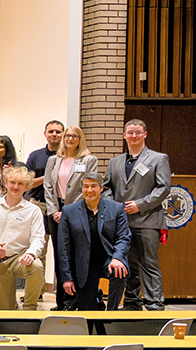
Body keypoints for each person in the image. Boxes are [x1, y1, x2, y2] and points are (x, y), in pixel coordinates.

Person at [102, 119, 170, 311]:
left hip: (148, 220)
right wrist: (114, 206)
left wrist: (140, 205)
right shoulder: (114, 162)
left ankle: (154, 303)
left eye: (138, 132)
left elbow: (163, 188)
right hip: (122, 222)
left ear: (145, 134)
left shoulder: (159, 158)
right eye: (130, 132)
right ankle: (132, 302)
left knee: (149, 263)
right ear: (124, 135)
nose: (134, 136)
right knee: (128, 264)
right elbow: (106, 187)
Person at [43, 125, 99, 310]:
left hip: (77, 212)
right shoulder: (54, 159)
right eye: (67, 135)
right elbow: (48, 186)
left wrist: (68, 210)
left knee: (75, 256)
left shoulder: (89, 159)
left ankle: (75, 301)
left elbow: (88, 186)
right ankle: (62, 303)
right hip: (55, 213)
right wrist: (53, 210)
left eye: (74, 136)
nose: (70, 139)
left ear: (80, 138)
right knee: (61, 257)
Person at [59, 172, 131, 311]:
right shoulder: (69, 211)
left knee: (119, 271)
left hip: (108, 260)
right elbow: (63, 247)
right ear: (82, 189)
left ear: (101, 188)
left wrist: (117, 258)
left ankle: (112, 313)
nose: (89, 190)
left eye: (93, 186)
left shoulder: (116, 209)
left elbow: (124, 237)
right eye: (86, 186)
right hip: (83, 266)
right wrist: (66, 278)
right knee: (87, 311)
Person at [0, 166, 45, 310]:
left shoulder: (33, 210)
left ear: (27, 186)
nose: (16, 186)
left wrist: (31, 253)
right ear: (5, 183)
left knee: (37, 267)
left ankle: (30, 308)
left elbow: (38, 238)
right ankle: (12, 305)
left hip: (19, 257)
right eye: (12, 182)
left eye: (21, 184)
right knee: (5, 311)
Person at [25, 120, 65, 216]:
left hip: (62, 207)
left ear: (64, 134)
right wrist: (48, 177)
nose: (54, 134)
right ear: (45, 134)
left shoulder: (69, 157)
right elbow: (27, 183)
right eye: (51, 132)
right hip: (38, 205)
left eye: (58, 132)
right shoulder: (35, 156)